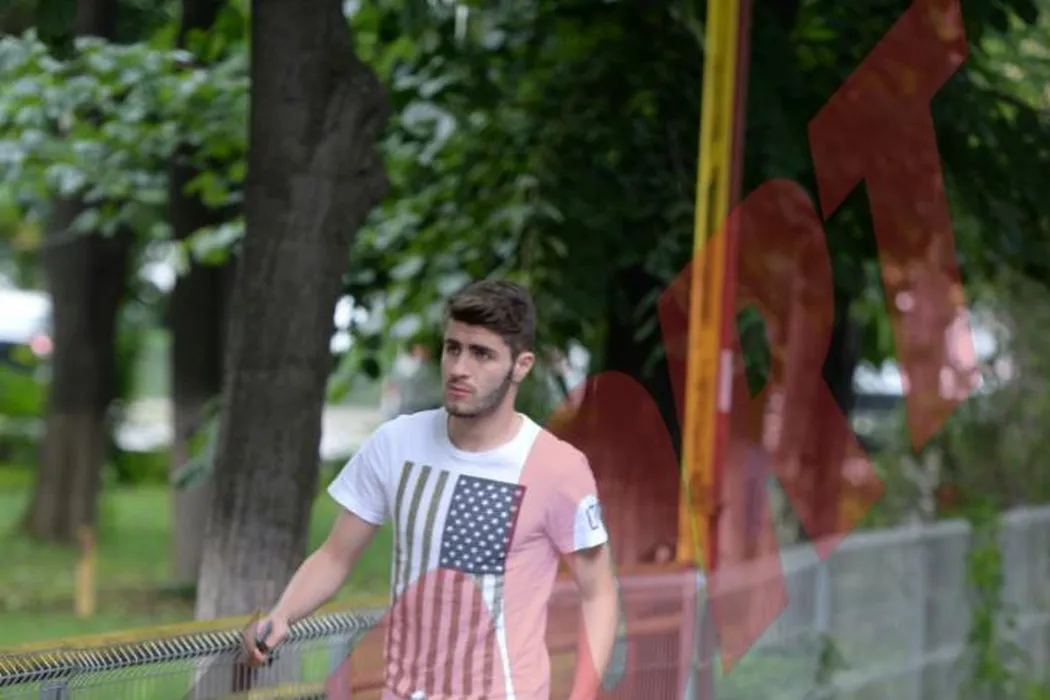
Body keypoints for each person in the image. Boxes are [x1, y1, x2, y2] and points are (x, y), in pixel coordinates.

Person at [243, 279, 620, 700]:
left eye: (482, 354)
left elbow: (599, 593)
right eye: (453, 348)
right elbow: (335, 555)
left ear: (521, 365)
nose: (459, 367)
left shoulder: (556, 467)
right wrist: (282, 614)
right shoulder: (396, 443)